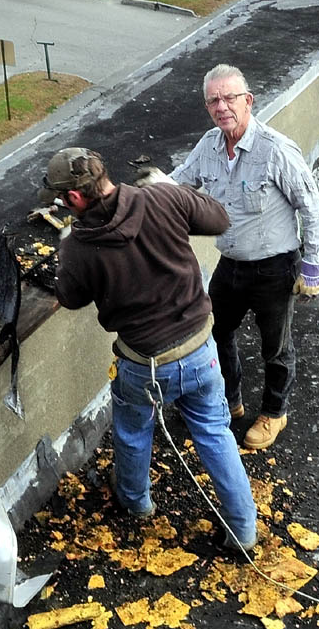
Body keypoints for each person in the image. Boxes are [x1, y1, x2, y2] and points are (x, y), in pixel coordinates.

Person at [40, 146, 258, 550]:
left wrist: (65, 249)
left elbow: (69, 298)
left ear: (72, 198)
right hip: (200, 351)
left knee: (133, 431)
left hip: (145, 365)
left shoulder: (79, 245)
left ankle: (137, 503)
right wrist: (171, 188)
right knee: (215, 433)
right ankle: (244, 532)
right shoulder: (161, 197)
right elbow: (219, 218)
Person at [168, 64, 319, 451]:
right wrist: (129, 198)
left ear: (248, 101)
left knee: (276, 347)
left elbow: (313, 208)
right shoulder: (208, 146)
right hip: (231, 265)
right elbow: (176, 186)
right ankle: (229, 399)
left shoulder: (274, 149)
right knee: (215, 332)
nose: (222, 106)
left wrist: (312, 267)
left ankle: (275, 413)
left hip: (275, 268)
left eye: (229, 98)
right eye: (214, 100)